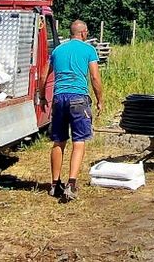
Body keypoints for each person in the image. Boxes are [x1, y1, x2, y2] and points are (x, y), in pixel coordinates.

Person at [38, 19, 103, 202]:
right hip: (78, 99)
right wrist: (100, 100)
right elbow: (95, 77)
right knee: (79, 141)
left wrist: (42, 97)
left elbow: (43, 75)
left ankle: (54, 184)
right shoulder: (89, 50)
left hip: (59, 98)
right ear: (83, 33)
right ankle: (71, 184)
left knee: (58, 141)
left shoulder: (58, 50)